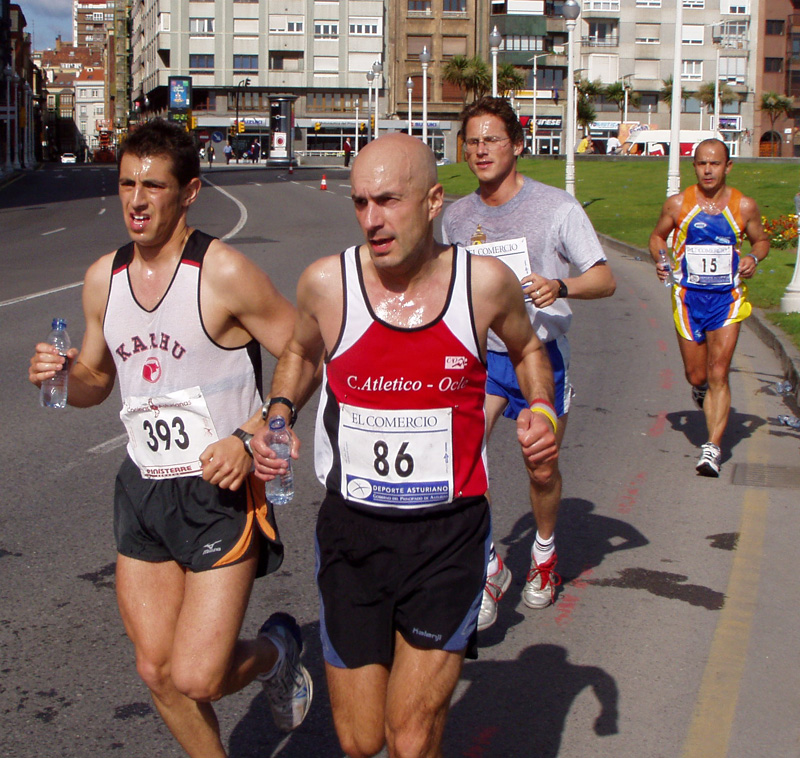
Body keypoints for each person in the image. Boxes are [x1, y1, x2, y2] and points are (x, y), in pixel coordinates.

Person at [251, 133, 558, 758]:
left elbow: (528, 349)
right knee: (362, 742)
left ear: (434, 201)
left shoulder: (485, 285)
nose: (372, 219)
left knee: (411, 737)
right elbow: (302, 351)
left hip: (448, 536)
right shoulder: (327, 284)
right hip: (353, 534)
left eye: (388, 201)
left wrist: (543, 411)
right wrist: (278, 412)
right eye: (361, 203)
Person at [27, 119, 312, 757]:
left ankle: (274, 653)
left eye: (153, 186)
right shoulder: (105, 276)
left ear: (189, 193)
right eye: (127, 183)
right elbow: (98, 381)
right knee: (157, 671)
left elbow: (305, 351)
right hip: (144, 491)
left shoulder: (223, 272)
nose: (136, 200)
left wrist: (254, 430)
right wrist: (62, 374)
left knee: (198, 675)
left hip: (219, 490)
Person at [441, 96, 616, 632]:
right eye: (472, 141)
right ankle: (489, 563)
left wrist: (559, 285)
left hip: (539, 358)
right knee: (456, 459)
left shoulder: (557, 208)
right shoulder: (455, 217)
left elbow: (603, 278)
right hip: (481, 360)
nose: (481, 149)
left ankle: (543, 553)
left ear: (517, 144)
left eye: (492, 138)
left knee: (539, 464)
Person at [649, 138, 769, 477]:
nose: (708, 170)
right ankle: (700, 391)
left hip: (727, 300)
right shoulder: (677, 205)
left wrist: (752, 257)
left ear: (728, 167)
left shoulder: (744, 206)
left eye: (715, 163)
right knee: (698, 374)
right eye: (702, 163)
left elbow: (761, 240)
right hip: (688, 299)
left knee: (719, 371)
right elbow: (658, 237)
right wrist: (662, 260)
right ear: (694, 166)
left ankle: (712, 448)